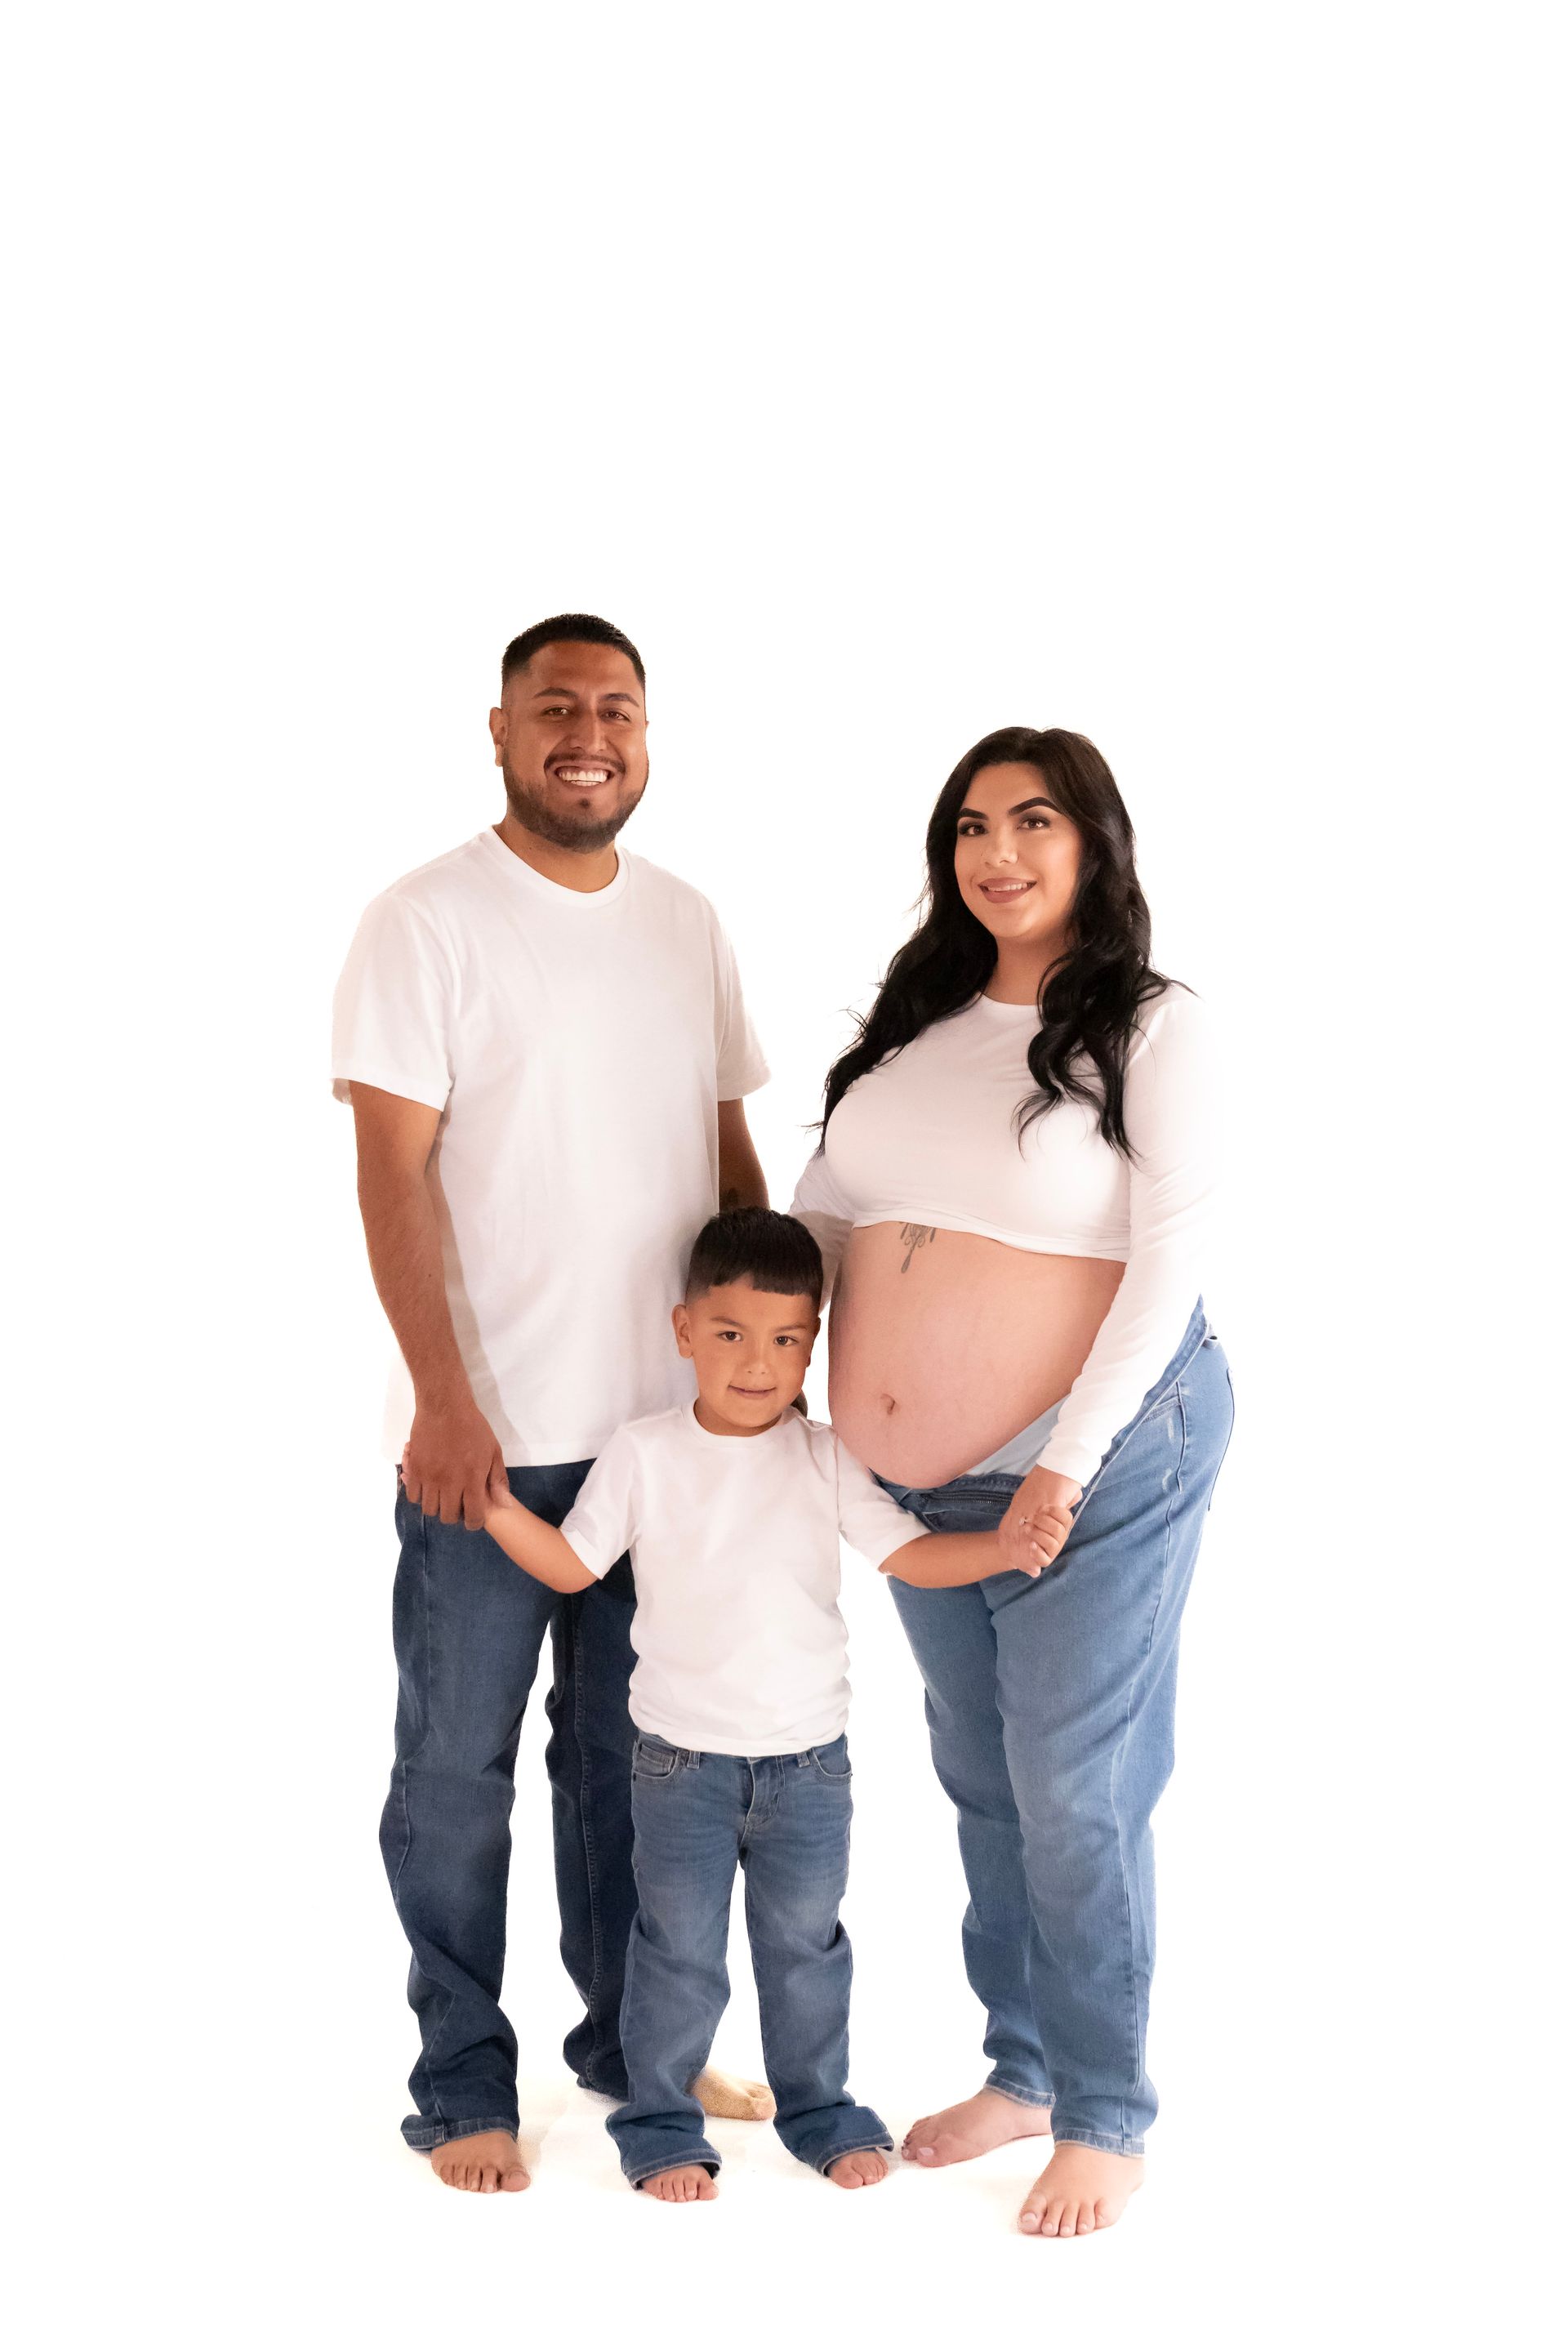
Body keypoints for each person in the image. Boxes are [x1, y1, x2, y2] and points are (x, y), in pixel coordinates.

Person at [332, 613, 774, 2194]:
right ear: (502, 731)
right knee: (452, 1767)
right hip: (494, 1443)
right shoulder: (426, 920)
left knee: (626, 1763)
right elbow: (391, 1176)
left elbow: (730, 1168)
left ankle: (624, 2045)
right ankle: (461, 2074)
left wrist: (761, 1385)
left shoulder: (688, 922)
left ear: (648, 739)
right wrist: (445, 1399)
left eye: (620, 710)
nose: (590, 734)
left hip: (662, 1439)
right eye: (558, 708)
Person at [791, 727, 1234, 2239]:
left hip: (1101, 1458)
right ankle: (1028, 2068)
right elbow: (830, 1212)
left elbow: (1170, 1260)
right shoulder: (920, 1025)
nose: (1001, 852)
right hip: (926, 1492)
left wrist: (1064, 1458)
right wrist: (788, 1400)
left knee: (1074, 1787)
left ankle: (1108, 2111)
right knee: (985, 1777)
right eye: (974, 824)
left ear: (1096, 843)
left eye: (1036, 822)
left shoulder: (1154, 1028)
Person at [469, 1207, 1070, 2201]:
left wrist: (1006, 1545)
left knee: (806, 1947)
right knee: (676, 1953)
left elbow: (908, 1554)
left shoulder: (825, 1454)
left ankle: (819, 2107)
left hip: (808, 1767)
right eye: (733, 1334)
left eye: (788, 1339)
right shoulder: (645, 1452)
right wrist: (494, 1504)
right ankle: (659, 2121)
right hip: (679, 1767)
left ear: (813, 1344)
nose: (759, 1362)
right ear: (684, 1330)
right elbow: (574, 1565)